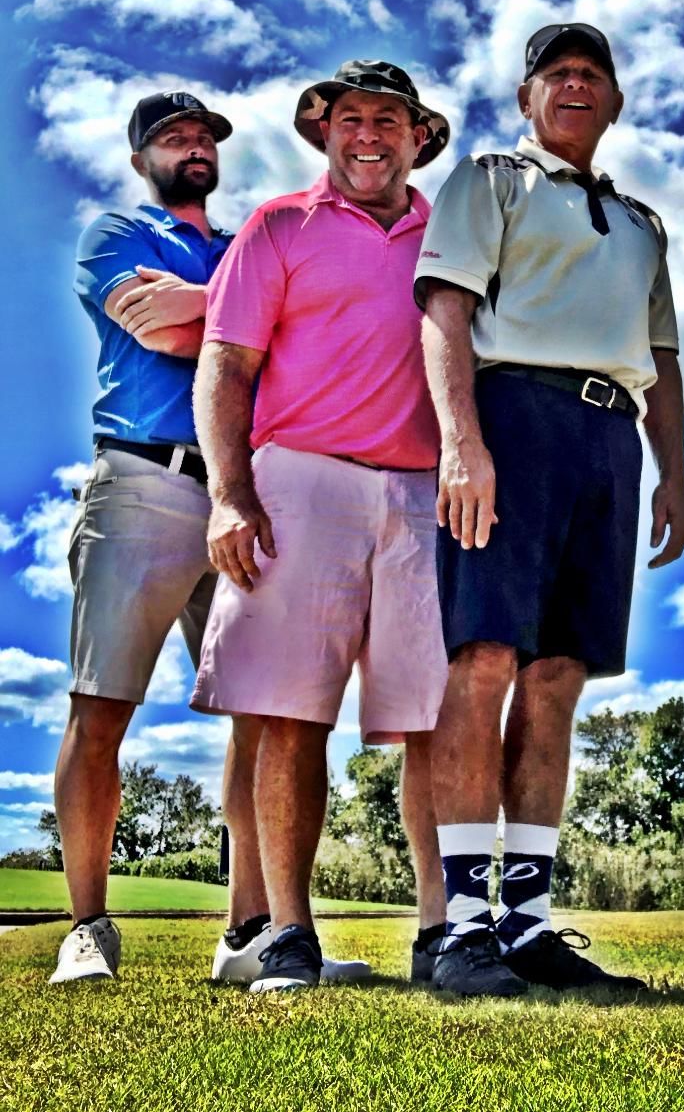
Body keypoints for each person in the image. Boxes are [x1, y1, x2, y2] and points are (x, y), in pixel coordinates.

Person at [414, 22, 684, 997]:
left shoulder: (644, 224)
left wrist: (673, 473)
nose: (575, 85)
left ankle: (527, 925)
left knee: (559, 674)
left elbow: (663, 359)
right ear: (528, 97)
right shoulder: (491, 180)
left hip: (607, 438)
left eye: (592, 74)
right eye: (556, 72)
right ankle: (460, 926)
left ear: (614, 101)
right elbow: (445, 309)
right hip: (512, 416)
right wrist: (462, 442)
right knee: (485, 656)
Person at [190, 60, 452, 992]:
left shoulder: (453, 234)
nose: (368, 135)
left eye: (389, 119)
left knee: (432, 717)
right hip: (299, 481)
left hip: (423, 493)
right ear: (326, 131)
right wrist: (230, 492)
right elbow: (225, 365)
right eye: (351, 119)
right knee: (289, 712)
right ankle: (288, 932)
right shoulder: (276, 226)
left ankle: (443, 930)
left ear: (419, 136)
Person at [52, 92, 240, 982]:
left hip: (245, 488)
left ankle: (254, 929)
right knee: (102, 705)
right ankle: (87, 927)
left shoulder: (245, 243)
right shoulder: (117, 233)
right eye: (173, 136)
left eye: (204, 135)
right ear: (142, 158)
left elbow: (300, 339)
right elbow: (160, 328)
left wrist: (216, 309)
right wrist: (249, 318)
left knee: (265, 711)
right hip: (141, 478)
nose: (193, 145)